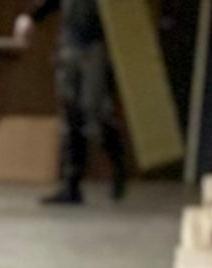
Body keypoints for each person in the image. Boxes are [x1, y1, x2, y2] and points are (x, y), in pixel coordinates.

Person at [8, 0, 128, 203]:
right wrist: (30, 17)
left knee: (95, 113)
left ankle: (118, 167)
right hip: (70, 45)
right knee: (71, 115)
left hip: (96, 47)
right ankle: (71, 187)